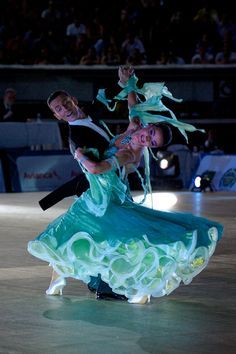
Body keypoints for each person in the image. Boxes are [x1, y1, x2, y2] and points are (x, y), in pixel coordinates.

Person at [28, 74, 223, 305]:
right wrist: (129, 83)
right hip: (101, 193)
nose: (147, 136)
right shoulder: (90, 133)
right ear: (57, 114)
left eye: (152, 140)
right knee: (96, 236)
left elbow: (99, 166)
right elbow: (132, 109)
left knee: (104, 236)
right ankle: (95, 282)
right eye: (59, 109)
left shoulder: (129, 149)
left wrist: (83, 158)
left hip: (107, 191)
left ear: (73, 100)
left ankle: (99, 283)